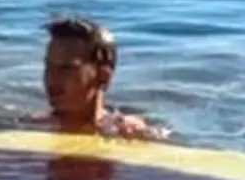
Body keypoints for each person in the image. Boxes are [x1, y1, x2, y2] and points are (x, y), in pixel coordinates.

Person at [39, 15, 169, 141]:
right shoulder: (30, 125)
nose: (51, 79)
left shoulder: (126, 130)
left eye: (66, 69)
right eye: (49, 67)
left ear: (103, 76)